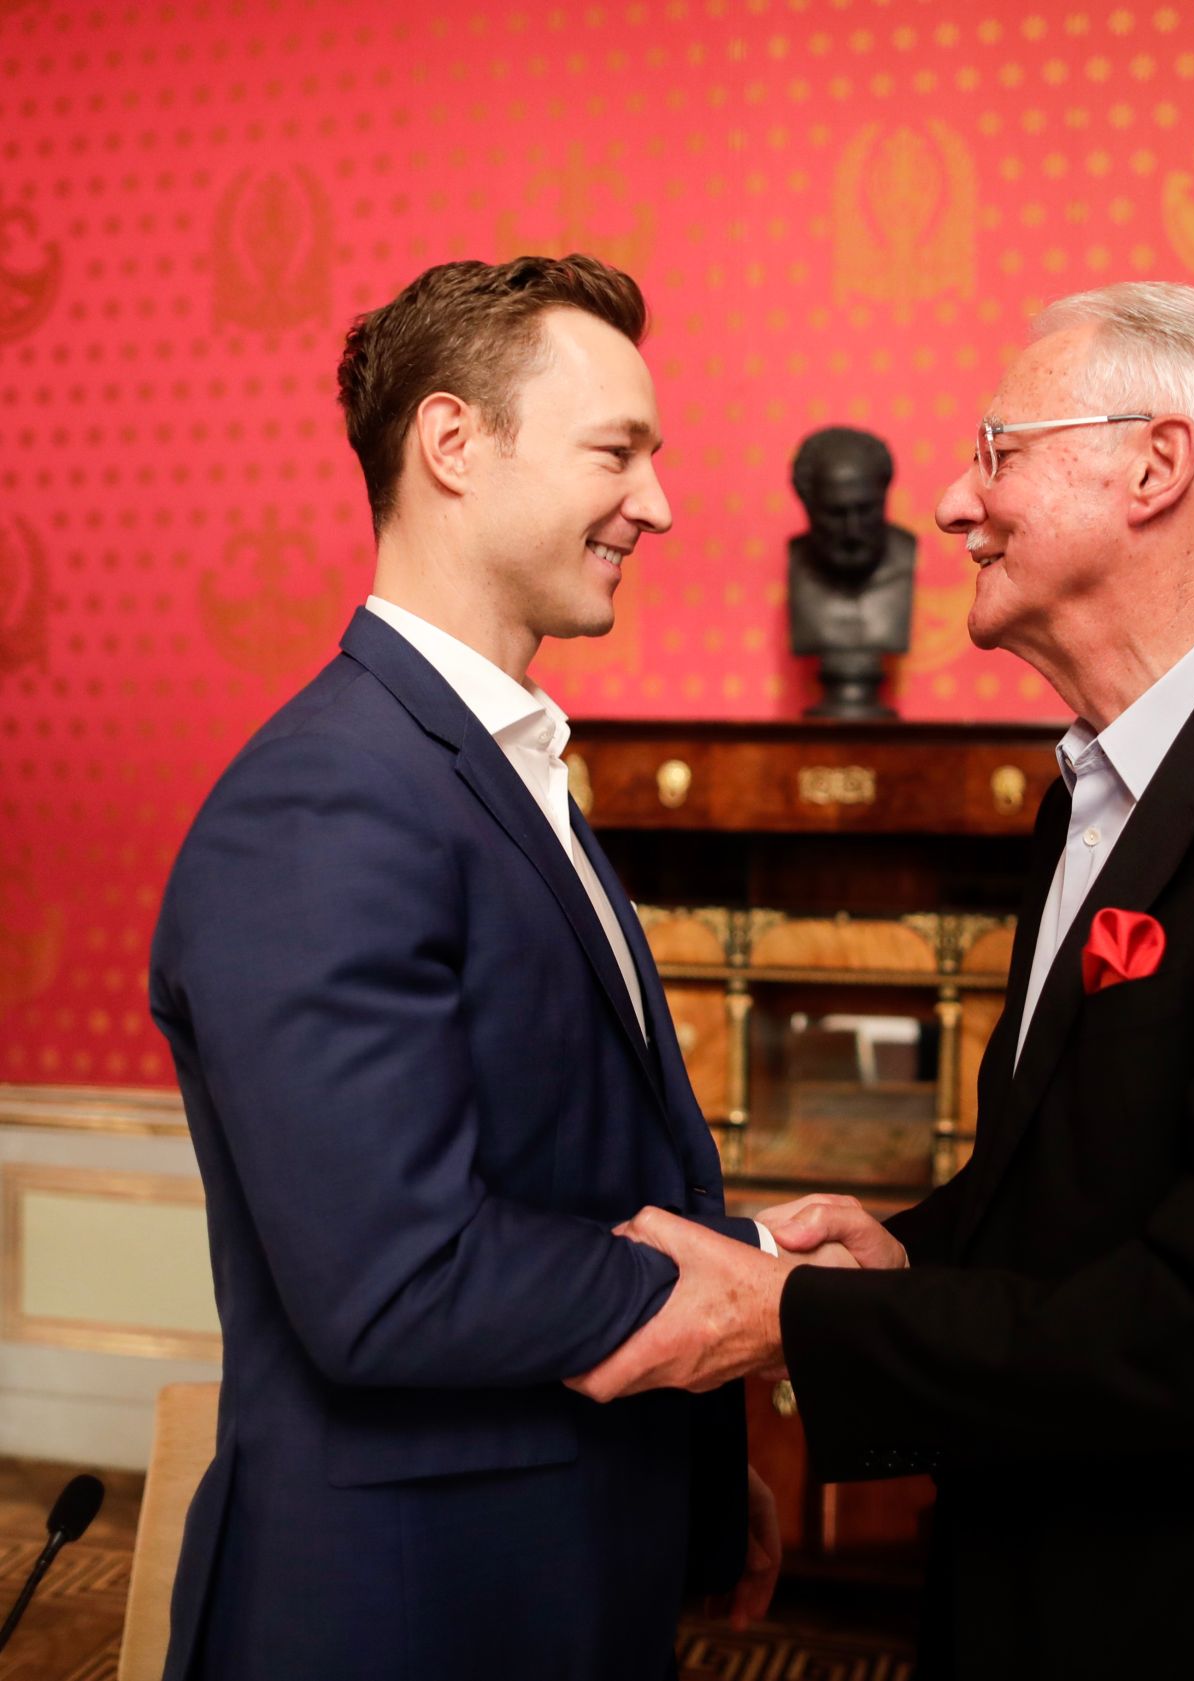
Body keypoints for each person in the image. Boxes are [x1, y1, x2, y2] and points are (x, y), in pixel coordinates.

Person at [578, 282, 1194, 1678]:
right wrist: (914, 1248)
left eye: (998, 449)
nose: (957, 503)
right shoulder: (1083, 796)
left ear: (1155, 466)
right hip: (1042, 1582)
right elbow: (1080, 1184)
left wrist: (794, 1316)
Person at [148, 254, 824, 1681]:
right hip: (404, 1611)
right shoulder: (324, 800)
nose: (658, 503)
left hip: (560, 1563)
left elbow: (565, 1176)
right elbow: (395, 1275)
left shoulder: (498, 774)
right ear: (453, 444)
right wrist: (747, 1290)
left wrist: (706, 1471)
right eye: (617, 453)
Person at [787, 425, 916, 717]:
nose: (852, 530)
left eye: (867, 509)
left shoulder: (905, 554)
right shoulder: (797, 562)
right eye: (835, 513)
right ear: (808, 508)